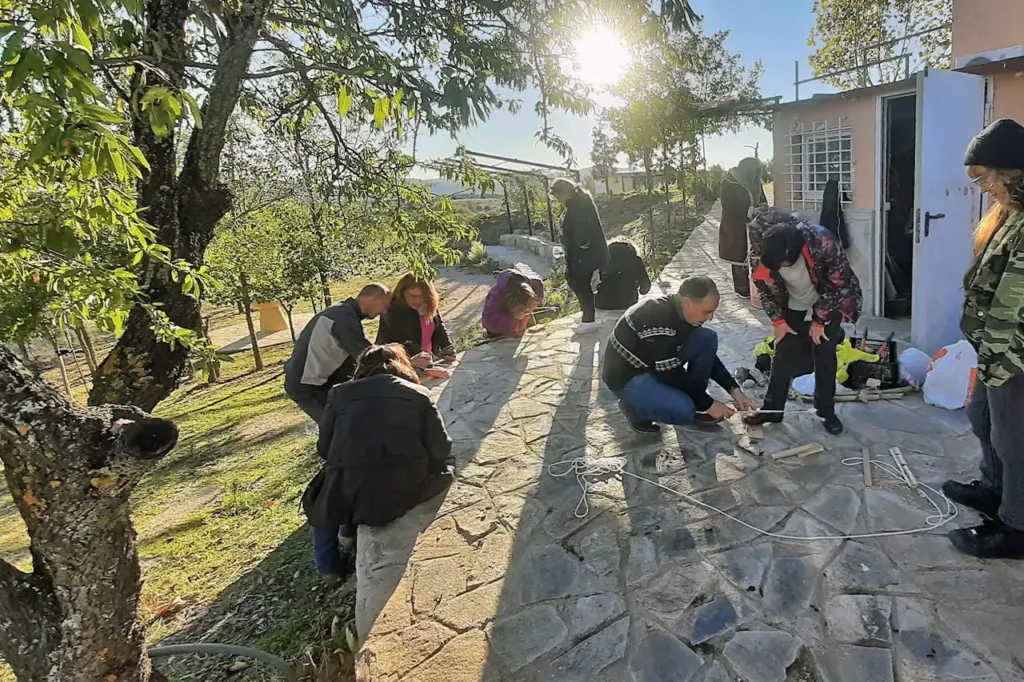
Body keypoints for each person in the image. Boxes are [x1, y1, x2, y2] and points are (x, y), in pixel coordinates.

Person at [302, 344, 454, 581]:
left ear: (362, 368)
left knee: (323, 497)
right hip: (403, 491)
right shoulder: (418, 393)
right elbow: (441, 448)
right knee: (446, 463)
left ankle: (329, 564)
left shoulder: (339, 394)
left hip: (353, 490)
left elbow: (325, 449)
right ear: (402, 366)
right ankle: (349, 533)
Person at [943, 118, 1024, 560]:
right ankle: (994, 490)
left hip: (1015, 353)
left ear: (1010, 170)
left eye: (986, 178)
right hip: (994, 347)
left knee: (1015, 440)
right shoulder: (1011, 214)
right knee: (983, 419)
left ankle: (1015, 526)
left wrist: (1005, 350)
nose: (985, 189)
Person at [742, 210, 862, 435]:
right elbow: (763, 286)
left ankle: (826, 411)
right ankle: (772, 409)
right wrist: (778, 320)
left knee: (824, 349)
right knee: (783, 348)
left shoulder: (822, 241)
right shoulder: (762, 246)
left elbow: (840, 284)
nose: (781, 270)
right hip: (793, 298)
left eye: (785, 265)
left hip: (828, 295)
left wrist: (820, 319)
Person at [602, 275, 756, 433]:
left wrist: (734, 389)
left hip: (655, 364)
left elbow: (708, 359)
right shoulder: (656, 318)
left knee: (706, 338)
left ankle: (696, 401)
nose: (709, 318)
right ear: (688, 302)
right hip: (629, 376)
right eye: (706, 312)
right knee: (684, 411)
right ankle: (635, 409)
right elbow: (669, 372)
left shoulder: (681, 312)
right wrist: (708, 403)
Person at [284, 283, 391, 423]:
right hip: (308, 387)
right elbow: (364, 354)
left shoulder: (342, 313)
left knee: (346, 425)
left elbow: (352, 360)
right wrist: (401, 361)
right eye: (384, 305)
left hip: (319, 383)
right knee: (337, 428)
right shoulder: (343, 317)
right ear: (373, 299)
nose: (384, 311)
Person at [551, 177, 609, 329]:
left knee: (580, 283)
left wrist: (580, 244)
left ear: (565, 192)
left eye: (557, 195)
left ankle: (589, 320)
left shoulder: (579, 205)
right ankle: (587, 315)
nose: (557, 199)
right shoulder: (577, 203)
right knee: (575, 281)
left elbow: (581, 230)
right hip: (580, 253)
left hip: (584, 254)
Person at [376, 274, 456, 366]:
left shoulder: (429, 304)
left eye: (422, 296)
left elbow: (439, 327)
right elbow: (405, 341)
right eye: (413, 296)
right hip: (398, 363)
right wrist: (425, 363)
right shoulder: (392, 310)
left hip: (426, 360)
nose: (418, 300)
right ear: (402, 292)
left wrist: (448, 349)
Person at [719, 158, 767, 298]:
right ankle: (742, 288)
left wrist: (761, 208)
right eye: (754, 171)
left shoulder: (756, 183)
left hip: (754, 224)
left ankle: (757, 285)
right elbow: (728, 205)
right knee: (738, 256)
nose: (756, 175)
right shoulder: (728, 182)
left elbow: (762, 200)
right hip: (735, 225)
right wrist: (748, 210)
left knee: (754, 254)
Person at [481, 268, 544, 338]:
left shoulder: (525, 283)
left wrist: (535, 300)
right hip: (498, 331)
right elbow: (488, 322)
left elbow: (538, 284)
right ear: (511, 303)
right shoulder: (495, 296)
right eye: (521, 309)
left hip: (517, 323)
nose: (526, 311)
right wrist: (513, 320)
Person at [595, 238, 652, 310]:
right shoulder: (635, 260)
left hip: (603, 303)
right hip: (628, 302)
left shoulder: (605, 259)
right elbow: (645, 286)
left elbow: (602, 278)